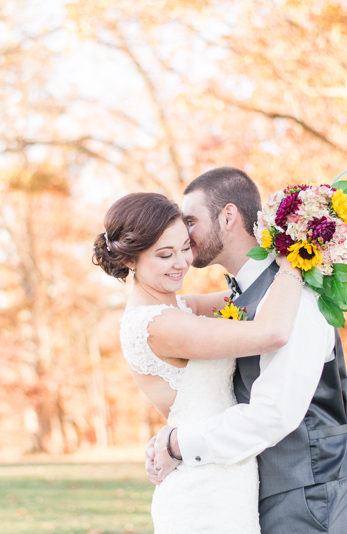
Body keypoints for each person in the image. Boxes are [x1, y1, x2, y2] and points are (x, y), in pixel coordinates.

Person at [147, 167, 347, 534]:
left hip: (314, 492)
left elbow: (274, 413)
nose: (183, 233)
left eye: (191, 220)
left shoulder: (293, 293)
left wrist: (179, 445)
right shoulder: (243, 293)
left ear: (228, 216)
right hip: (272, 494)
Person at [92, 191, 306, 533]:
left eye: (184, 247)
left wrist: (298, 231)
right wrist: (295, 264)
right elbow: (272, 332)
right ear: (130, 261)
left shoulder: (180, 309)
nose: (181, 263)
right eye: (164, 254)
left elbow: (250, 294)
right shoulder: (159, 325)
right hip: (203, 494)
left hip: (225, 476)